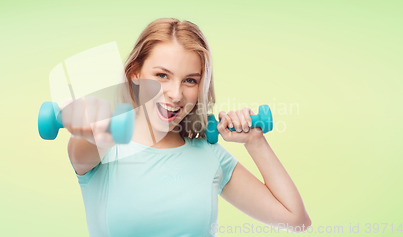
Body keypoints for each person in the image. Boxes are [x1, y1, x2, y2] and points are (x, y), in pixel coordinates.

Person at [62, 18, 311, 236]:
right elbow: (84, 149)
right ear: (135, 74)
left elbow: (296, 220)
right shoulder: (105, 146)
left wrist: (255, 142)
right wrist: (92, 124)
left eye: (190, 80)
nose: (175, 94)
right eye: (162, 75)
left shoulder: (210, 156)